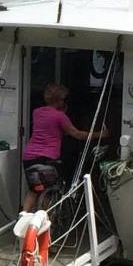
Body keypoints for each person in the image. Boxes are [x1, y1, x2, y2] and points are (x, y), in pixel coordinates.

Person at [23, 83, 99, 212]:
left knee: (34, 189)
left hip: (29, 157)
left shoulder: (37, 112)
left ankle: (23, 217)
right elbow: (77, 134)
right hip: (47, 158)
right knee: (48, 191)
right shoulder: (60, 116)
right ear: (59, 101)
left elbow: (50, 128)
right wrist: (100, 134)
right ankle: (46, 224)